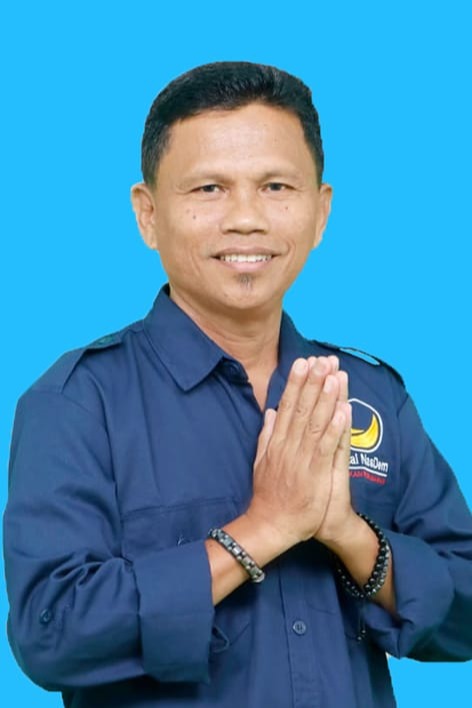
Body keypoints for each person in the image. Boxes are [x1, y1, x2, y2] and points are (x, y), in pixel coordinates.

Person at [3, 61, 472, 708]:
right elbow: (51, 633)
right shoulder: (80, 402)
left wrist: (348, 534)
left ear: (320, 212)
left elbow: (465, 610)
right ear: (147, 214)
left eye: (276, 186)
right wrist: (261, 530)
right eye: (209, 189)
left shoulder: (368, 394)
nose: (246, 219)